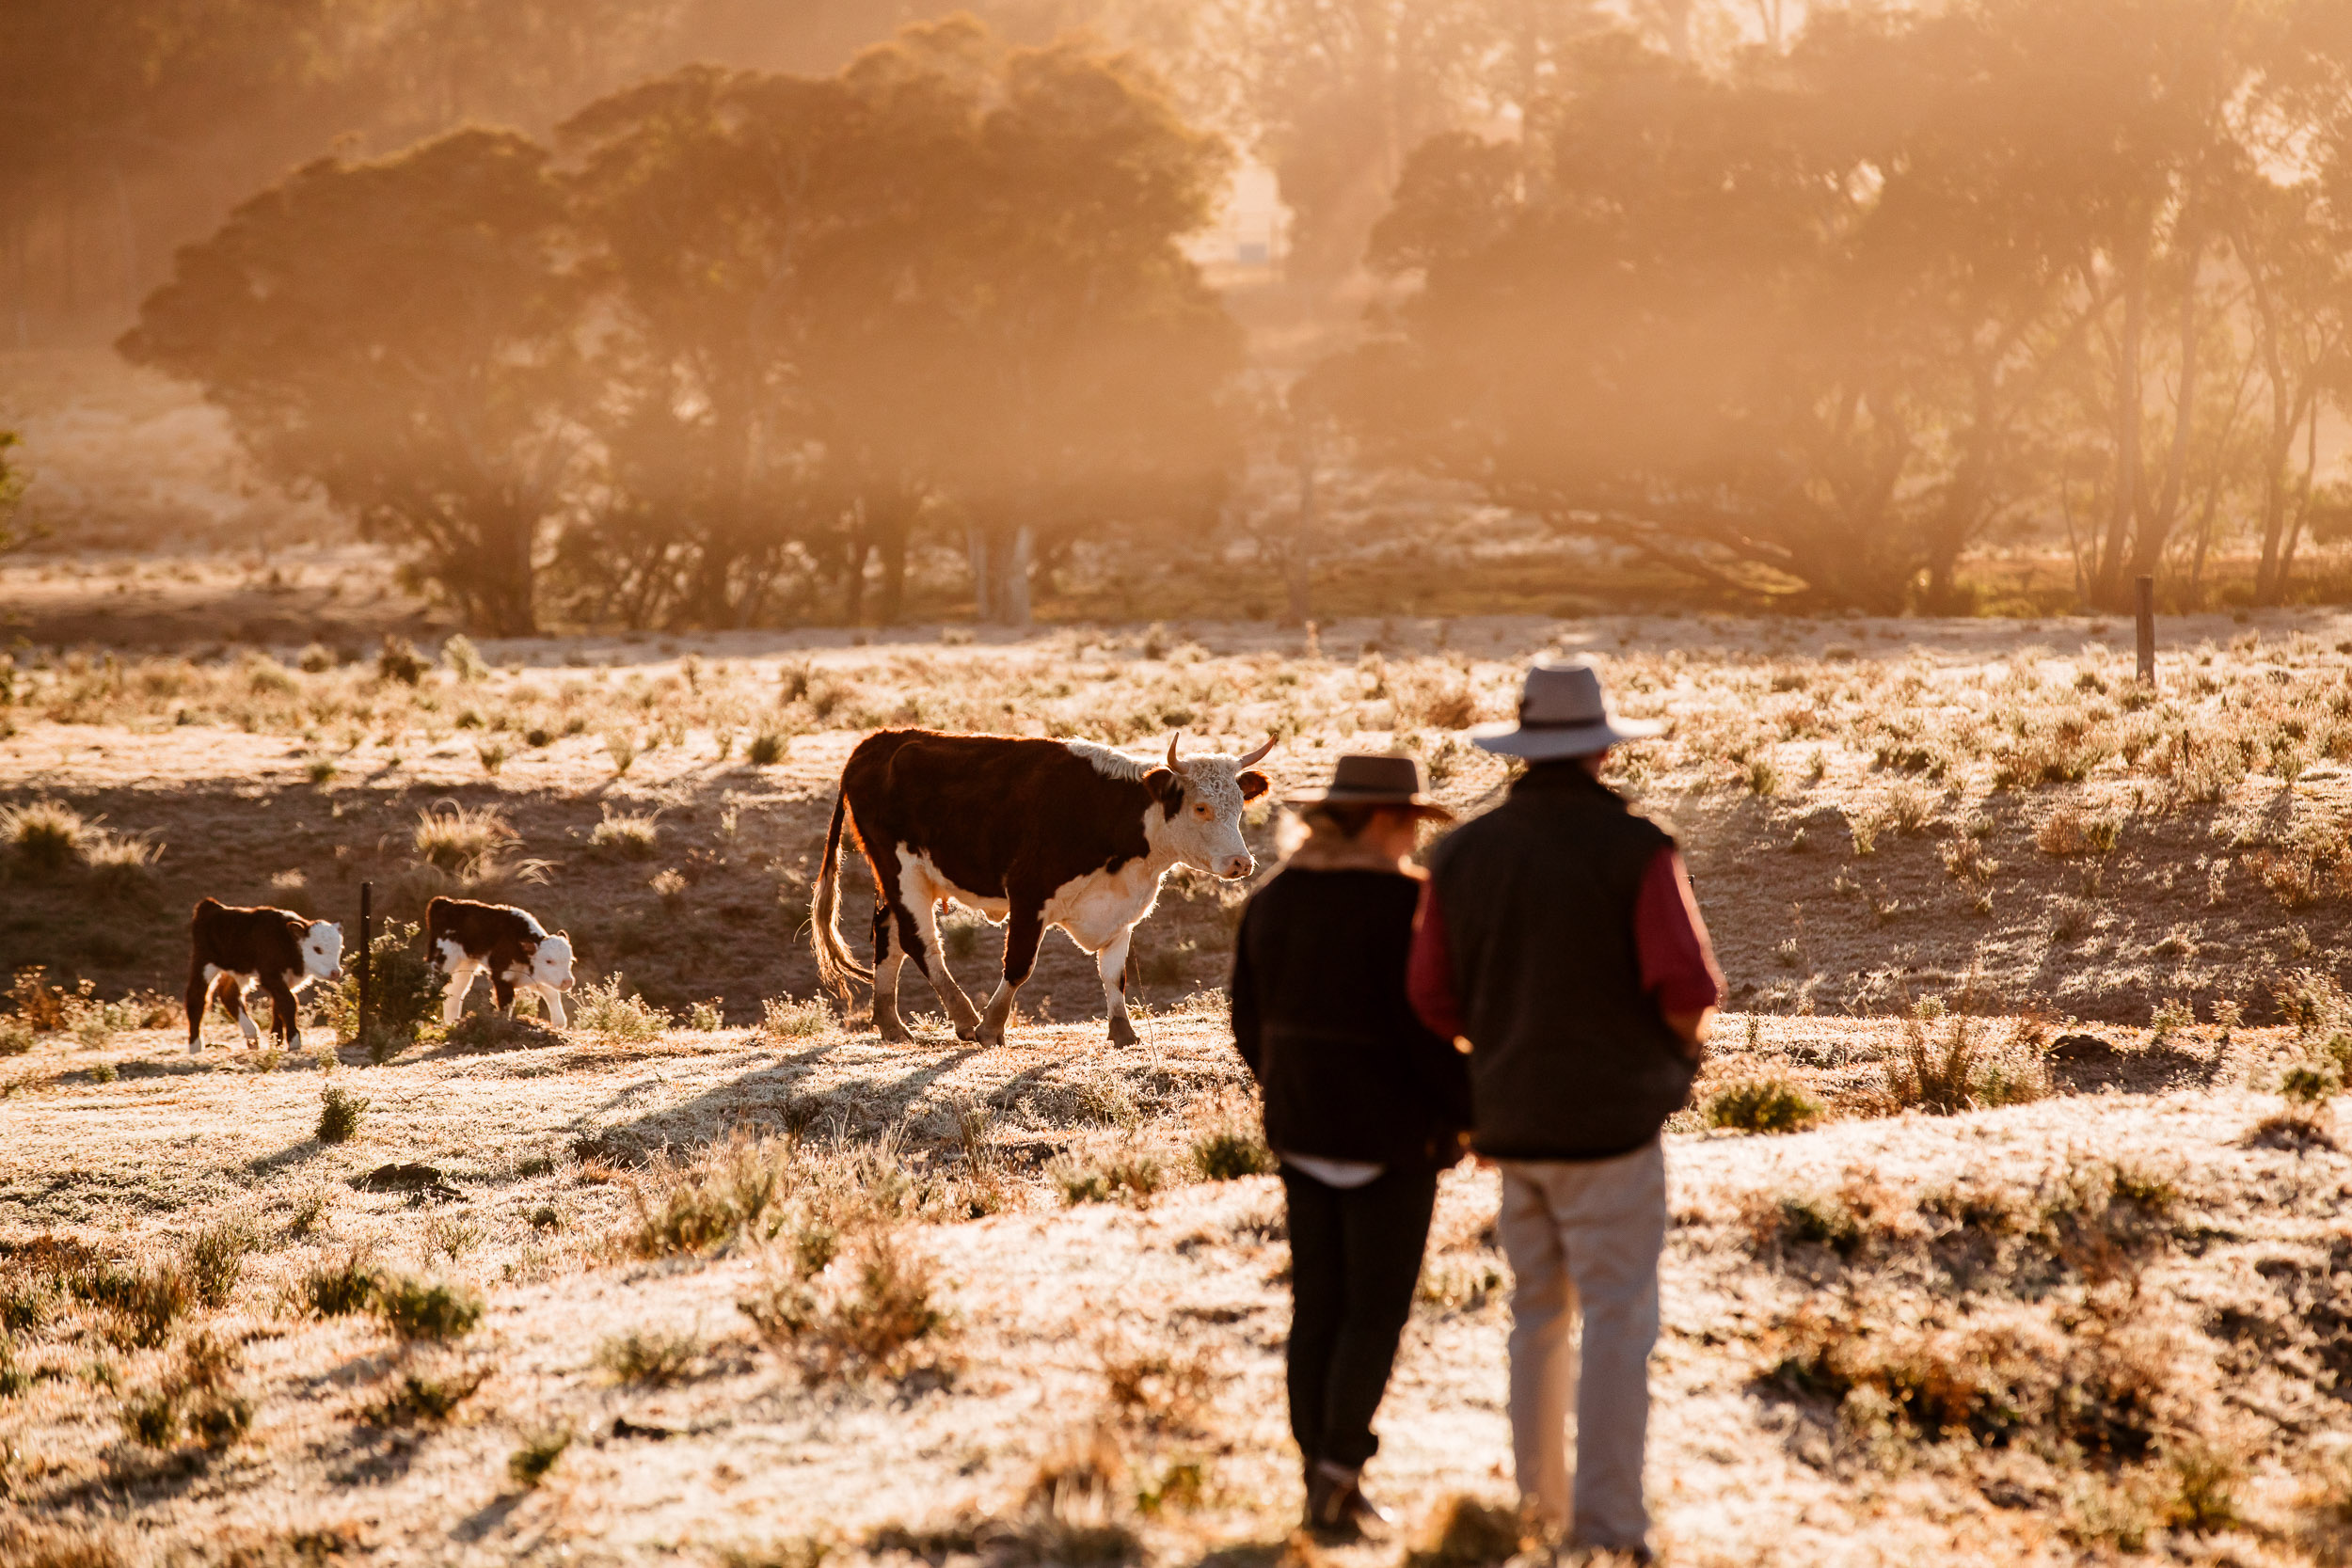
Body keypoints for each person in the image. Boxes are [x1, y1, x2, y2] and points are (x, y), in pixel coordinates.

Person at [1408, 659, 1721, 1562]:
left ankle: (1538, 1513)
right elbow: (1686, 985)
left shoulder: (1461, 853)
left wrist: (1499, 1056)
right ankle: (1612, 1526)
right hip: (1614, 1127)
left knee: (1535, 1314)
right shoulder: (1637, 847)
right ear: (1600, 753)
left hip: (1511, 1122)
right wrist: (1674, 1058)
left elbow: (1431, 998)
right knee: (1620, 1318)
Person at [1229, 752, 1471, 1541]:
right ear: (1376, 822)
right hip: (1393, 1137)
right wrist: (1470, 1113)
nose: (1413, 835)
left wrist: (1288, 1086)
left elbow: (1246, 1023)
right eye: (1406, 820)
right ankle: (1338, 1472)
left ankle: (1321, 1478)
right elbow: (1431, 1032)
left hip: (1302, 1131)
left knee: (1318, 1308)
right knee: (1375, 1311)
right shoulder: (1411, 907)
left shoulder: (1274, 901)